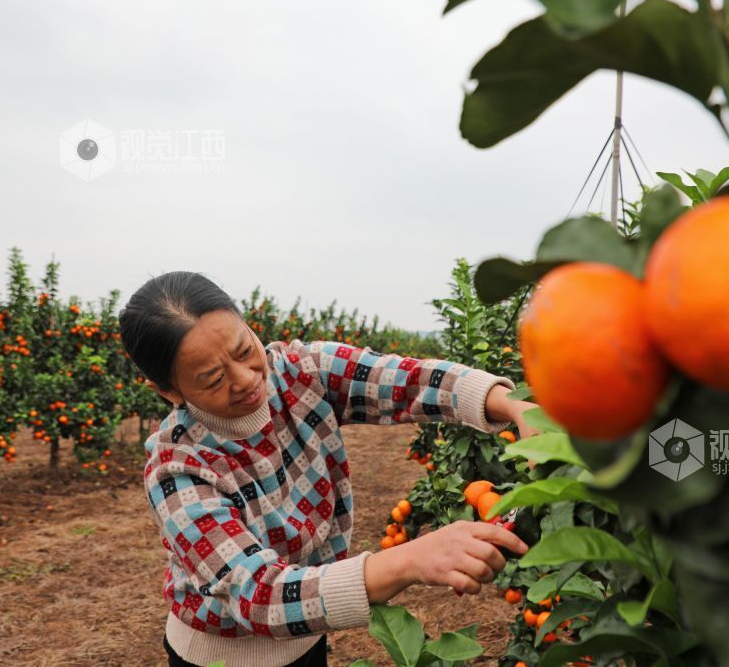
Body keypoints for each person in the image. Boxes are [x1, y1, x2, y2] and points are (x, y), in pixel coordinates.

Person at [118, 271, 537, 667]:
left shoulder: (300, 372)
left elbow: (406, 380)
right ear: (168, 391)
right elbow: (259, 596)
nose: (246, 379)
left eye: (245, 350)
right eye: (212, 379)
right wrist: (409, 560)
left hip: (309, 631)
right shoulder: (176, 468)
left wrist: (515, 405)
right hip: (223, 655)